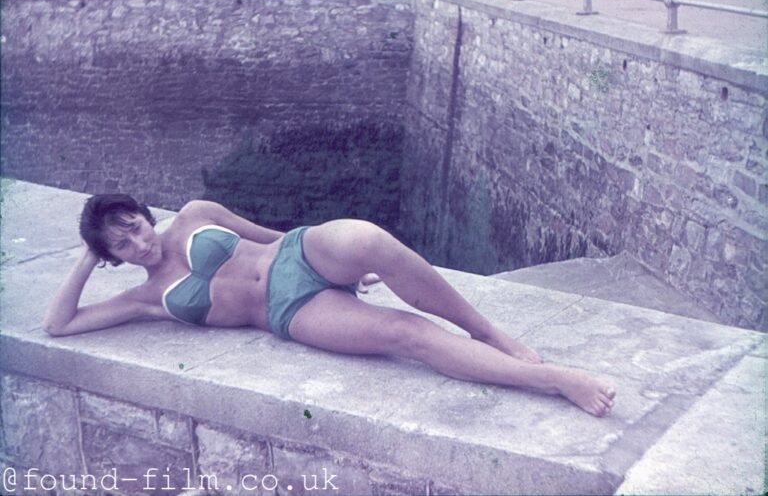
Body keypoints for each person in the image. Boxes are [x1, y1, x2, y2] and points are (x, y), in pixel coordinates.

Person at [43, 194, 616, 417]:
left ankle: (491, 332)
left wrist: (337, 265)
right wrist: (87, 258)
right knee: (405, 336)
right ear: (111, 254)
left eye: (135, 226)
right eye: (120, 243)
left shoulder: (196, 214)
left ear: (144, 213)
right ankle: (549, 380)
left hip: (297, 253)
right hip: (289, 312)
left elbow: (270, 233)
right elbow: (60, 325)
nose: (139, 242)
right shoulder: (146, 298)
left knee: (367, 239)